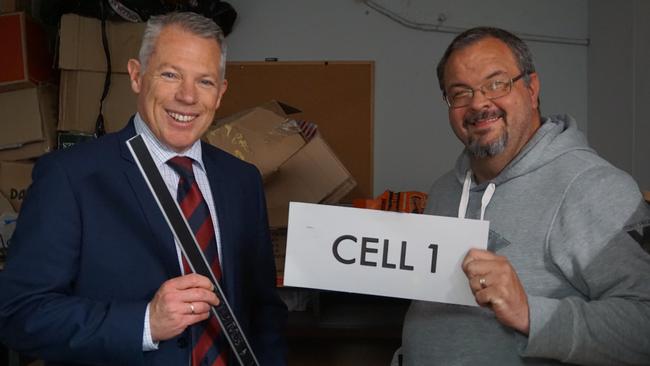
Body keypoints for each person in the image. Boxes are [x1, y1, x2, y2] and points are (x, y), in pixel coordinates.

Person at [0, 12, 287, 365]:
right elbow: (20, 315)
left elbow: (263, 311)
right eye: (170, 75)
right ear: (137, 76)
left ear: (221, 93)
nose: (187, 96)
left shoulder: (242, 180)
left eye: (205, 82)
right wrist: (145, 322)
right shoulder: (69, 177)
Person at [395, 27, 650, 365]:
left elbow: (642, 327)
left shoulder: (594, 186)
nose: (479, 103)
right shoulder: (444, 189)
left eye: (497, 84)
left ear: (531, 88)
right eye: (460, 92)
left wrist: (530, 312)